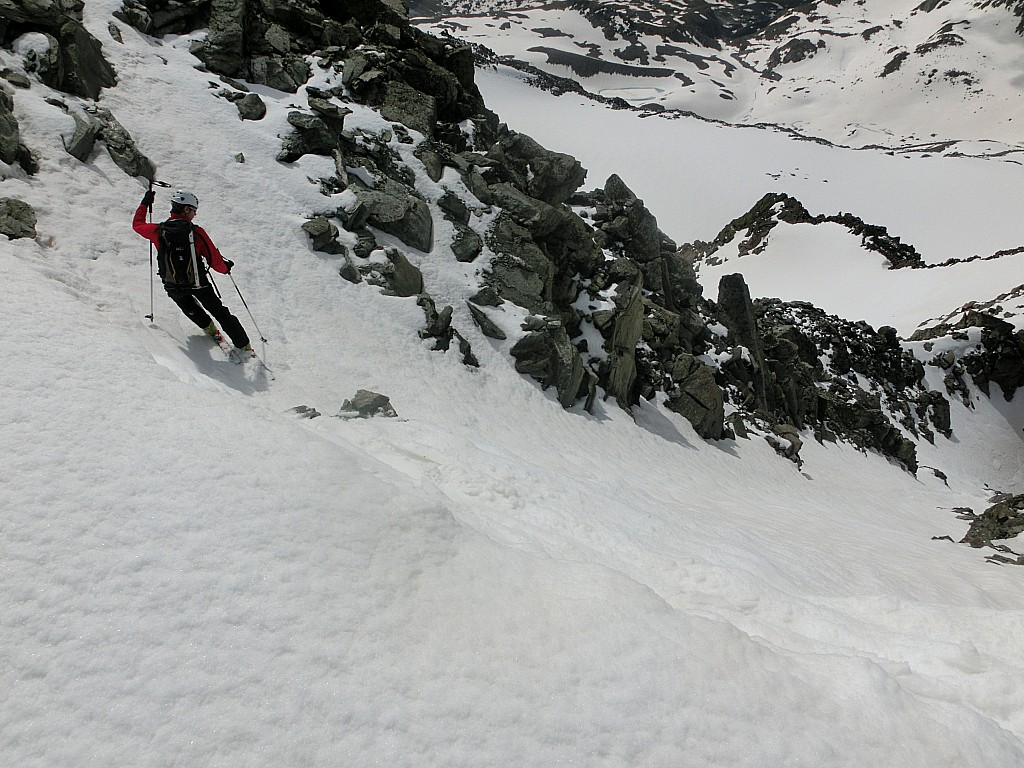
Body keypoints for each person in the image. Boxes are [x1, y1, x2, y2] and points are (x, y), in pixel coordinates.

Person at [133, 188, 252, 353]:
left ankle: (209, 328)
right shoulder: (196, 232)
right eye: (194, 210)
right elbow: (214, 259)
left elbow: (137, 225)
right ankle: (244, 346)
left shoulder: (158, 231)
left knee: (189, 308)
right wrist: (225, 269)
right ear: (186, 209)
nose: (195, 215)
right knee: (220, 312)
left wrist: (145, 203)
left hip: (172, 285)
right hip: (198, 284)